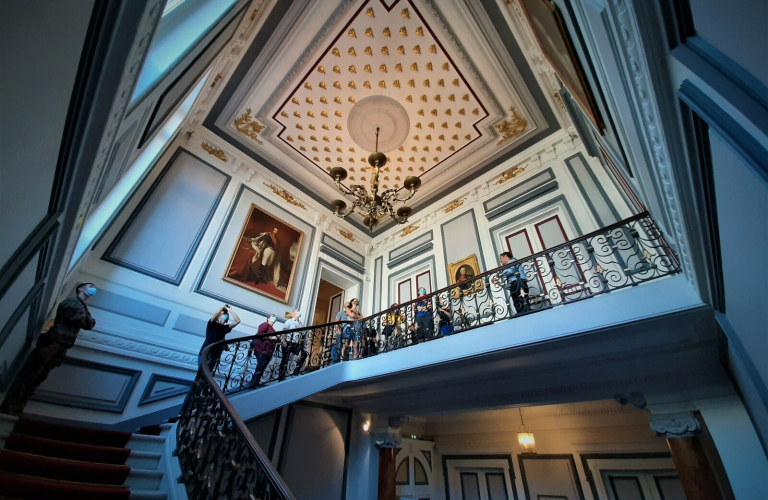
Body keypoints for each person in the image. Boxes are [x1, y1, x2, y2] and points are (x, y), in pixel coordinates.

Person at [0, 283, 98, 416]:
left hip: (61, 347)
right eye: (90, 286)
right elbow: (82, 321)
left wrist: (87, 318)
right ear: (80, 289)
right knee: (29, 375)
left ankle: (17, 408)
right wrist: (87, 318)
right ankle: (8, 406)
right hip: (52, 343)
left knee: (38, 379)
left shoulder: (82, 307)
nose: (93, 288)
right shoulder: (71, 302)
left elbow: (89, 324)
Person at [200, 305, 240, 372]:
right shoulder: (212, 324)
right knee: (201, 373)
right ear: (218, 317)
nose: (223, 318)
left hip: (215, 355)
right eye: (222, 316)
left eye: (225, 317)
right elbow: (216, 314)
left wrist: (230, 310)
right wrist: (223, 307)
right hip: (205, 353)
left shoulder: (225, 328)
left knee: (207, 375)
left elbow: (237, 321)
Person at [278, 308, 308, 381]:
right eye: (297, 311)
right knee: (285, 359)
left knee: (304, 354)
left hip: (297, 343)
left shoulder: (301, 324)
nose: (299, 312)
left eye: (299, 311)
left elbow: (303, 334)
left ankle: (296, 372)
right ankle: (281, 376)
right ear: (294, 313)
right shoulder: (289, 321)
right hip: (289, 341)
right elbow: (284, 331)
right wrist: (284, 341)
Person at [249, 314, 278, 388]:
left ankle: (255, 382)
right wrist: (271, 337)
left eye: (274, 317)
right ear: (268, 319)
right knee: (260, 366)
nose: (273, 319)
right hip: (262, 349)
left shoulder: (272, 329)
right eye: (272, 317)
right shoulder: (265, 324)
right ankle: (254, 383)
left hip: (267, 351)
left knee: (261, 367)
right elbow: (260, 334)